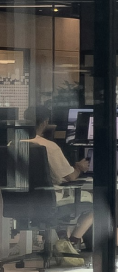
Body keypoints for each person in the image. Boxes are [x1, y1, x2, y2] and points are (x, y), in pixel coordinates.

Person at [18, 106, 93, 249]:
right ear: (45, 122)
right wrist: (79, 168)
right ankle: (71, 243)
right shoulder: (48, 147)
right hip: (49, 198)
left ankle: (63, 238)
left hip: (20, 200)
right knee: (96, 204)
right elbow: (70, 177)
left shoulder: (14, 143)